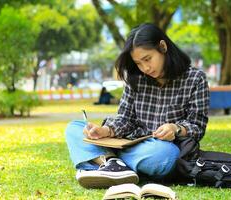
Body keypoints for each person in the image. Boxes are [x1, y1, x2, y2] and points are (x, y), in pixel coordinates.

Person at [65, 23, 209, 188]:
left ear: (162, 47)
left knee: (166, 155)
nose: (145, 68)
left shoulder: (195, 79)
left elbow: (197, 127)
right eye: (139, 63)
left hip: (158, 149)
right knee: (74, 128)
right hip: (127, 142)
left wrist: (175, 128)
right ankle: (114, 164)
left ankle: (107, 163)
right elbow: (126, 119)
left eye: (147, 59)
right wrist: (105, 131)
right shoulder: (136, 78)